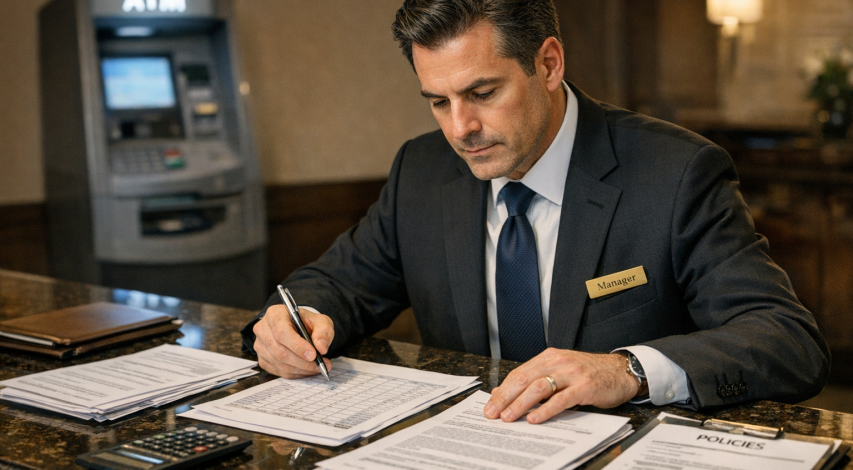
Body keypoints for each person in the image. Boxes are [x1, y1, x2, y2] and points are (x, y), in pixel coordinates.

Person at [242, 0, 830, 424]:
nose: (460, 129)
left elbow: (787, 341)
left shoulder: (675, 173)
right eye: (438, 102)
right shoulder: (422, 171)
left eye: (482, 93)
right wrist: (296, 319)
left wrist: (628, 370)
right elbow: (336, 282)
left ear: (548, 64)